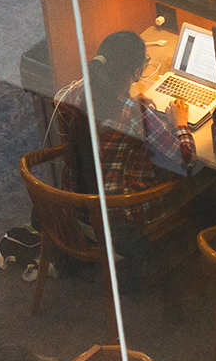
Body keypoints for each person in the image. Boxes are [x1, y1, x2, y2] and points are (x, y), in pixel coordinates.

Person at [59, 31, 196, 228]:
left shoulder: (79, 93)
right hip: (120, 219)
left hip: (76, 208)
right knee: (201, 184)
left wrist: (134, 103)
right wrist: (181, 123)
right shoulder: (135, 115)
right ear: (138, 70)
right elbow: (188, 159)